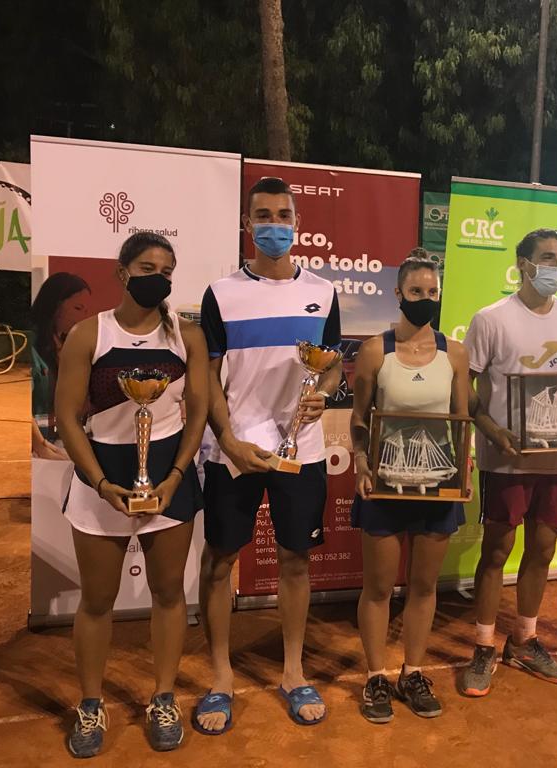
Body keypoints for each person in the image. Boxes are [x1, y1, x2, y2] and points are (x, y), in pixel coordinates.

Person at [54, 233, 209, 757]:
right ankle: (91, 703)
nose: (158, 278)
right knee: (98, 601)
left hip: (168, 480)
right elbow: (67, 419)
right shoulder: (88, 334)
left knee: (169, 593)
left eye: (166, 270)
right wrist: (99, 483)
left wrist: (177, 475)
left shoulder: (187, 336)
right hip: (102, 480)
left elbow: (198, 413)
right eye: (147, 268)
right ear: (122, 273)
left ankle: (163, 697)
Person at [196, 176, 341, 733]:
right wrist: (228, 439)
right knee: (220, 561)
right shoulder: (220, 293)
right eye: (263, 215)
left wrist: (324, 394)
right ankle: (220, 677)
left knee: (295, 560)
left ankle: (293, 671)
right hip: (234, 450)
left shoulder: (324, 292)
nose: (274, 225)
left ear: (297, 223)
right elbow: (208, 376)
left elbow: (330, 366)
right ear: (247, 224)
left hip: (301, 450)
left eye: (283, 215)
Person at [458, 229, 557, 696]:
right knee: (496, 551)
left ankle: (524, 640)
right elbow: (465, 386)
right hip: (505, 459)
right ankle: (483, 646)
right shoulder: (491, 319)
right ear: (523, 264)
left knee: (543, 550)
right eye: (547, 257)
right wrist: (492, 431)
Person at [349, 251, 470, 724]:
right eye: (416, 291)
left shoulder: (454, 353)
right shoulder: (373, 351)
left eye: (432, 292)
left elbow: (460, 420)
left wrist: (464, 470)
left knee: (423, 586)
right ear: (398, 294)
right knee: (379, 587)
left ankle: (413, 672)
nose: (425, 298)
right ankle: (375, 676)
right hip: (384, 486)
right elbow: (360, 420)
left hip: (437, 487)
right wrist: (361, 461)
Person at [29, 272, 92, 460]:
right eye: (78, 308)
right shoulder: (29, 345)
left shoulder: (68, 346)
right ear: (55, 306)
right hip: (34, 449)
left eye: (86, 311)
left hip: (55, 442)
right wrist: (40, 445)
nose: (84, 317)